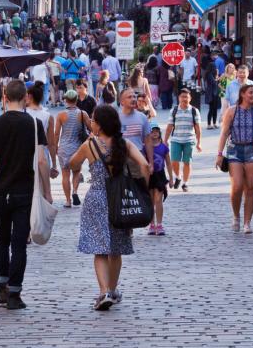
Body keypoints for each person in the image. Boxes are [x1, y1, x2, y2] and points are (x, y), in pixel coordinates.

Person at [0, 79, 52, 311]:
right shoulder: (35, 124)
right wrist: (47, 191)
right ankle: (15, 293)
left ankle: (1, 286)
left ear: (5, 98)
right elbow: (41, 160)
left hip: (0, 191)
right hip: (24, 191)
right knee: (19, 243)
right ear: (26, 98)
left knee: (1, 238)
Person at [69, 104, 151, 310]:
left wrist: (79, 164)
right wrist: (144, 189)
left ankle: (104, 291)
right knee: (116, 248)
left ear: (100, 124)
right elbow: (144, 165)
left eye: (94, 120)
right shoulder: (124, 144)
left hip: (96, 198)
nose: (91, 124)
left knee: (99, 250)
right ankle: (112, 291)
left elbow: (72, 163)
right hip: (119, 199)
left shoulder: (90, 145)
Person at [215, 83, 253, 234]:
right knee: (237, 186)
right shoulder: (232, 111)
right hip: (235, 150)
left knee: (250, 187)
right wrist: (220, 154)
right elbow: (224, 133)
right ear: (242, 94)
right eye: (250, 93)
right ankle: (236, 216)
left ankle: (247, 223)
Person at [56, 89, 91, 207]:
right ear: (76, 100)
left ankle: (67, 201)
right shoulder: (83, 114)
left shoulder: (61, 115)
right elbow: (92, 128)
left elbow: (56, 133)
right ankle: (75, 192)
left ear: (66, 100)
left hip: (64, 148)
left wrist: (55, 146)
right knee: (76, 172)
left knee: (65, 175)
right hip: (78, 148)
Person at [165, 88, 202, 192]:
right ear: (179, 98)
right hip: (176, 139)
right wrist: (165, 141)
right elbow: (169, 126)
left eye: (186, 97)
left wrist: (199, 143)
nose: (184, 99)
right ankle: (178, 176)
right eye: (182, 96)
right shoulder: (174, 110)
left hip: (189, 140)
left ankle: (185, 183)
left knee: (187, 162)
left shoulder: (194, 111)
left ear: (190, 98)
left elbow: (198, 128)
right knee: (174, 162)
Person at [25, 81, 58, 178]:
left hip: (25, 155)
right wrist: (54, 165)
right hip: (43, 155)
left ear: (30, 96)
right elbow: (51, 143)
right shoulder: (48, 116)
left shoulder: (22, 113)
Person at [146, 124, 173, 236]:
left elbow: (168, 163)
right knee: (151, 201)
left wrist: (171, 178)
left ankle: (160, 224)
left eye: (156, 131)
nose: (155, 133)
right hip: (149, 176)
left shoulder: (163, 147)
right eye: (152, 131)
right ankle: (152, 225)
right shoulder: (145, 147)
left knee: (158, 200)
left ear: (159, 133)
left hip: (160, 175)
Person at [117, 88, 154, 166]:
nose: (133, 99)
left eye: (134, 97)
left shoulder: (142, 117)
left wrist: (151, 163)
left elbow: (148, 141)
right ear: (122, 101)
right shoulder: (115, 118)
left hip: (139, 157)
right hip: (121, 158)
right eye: (129, 97)